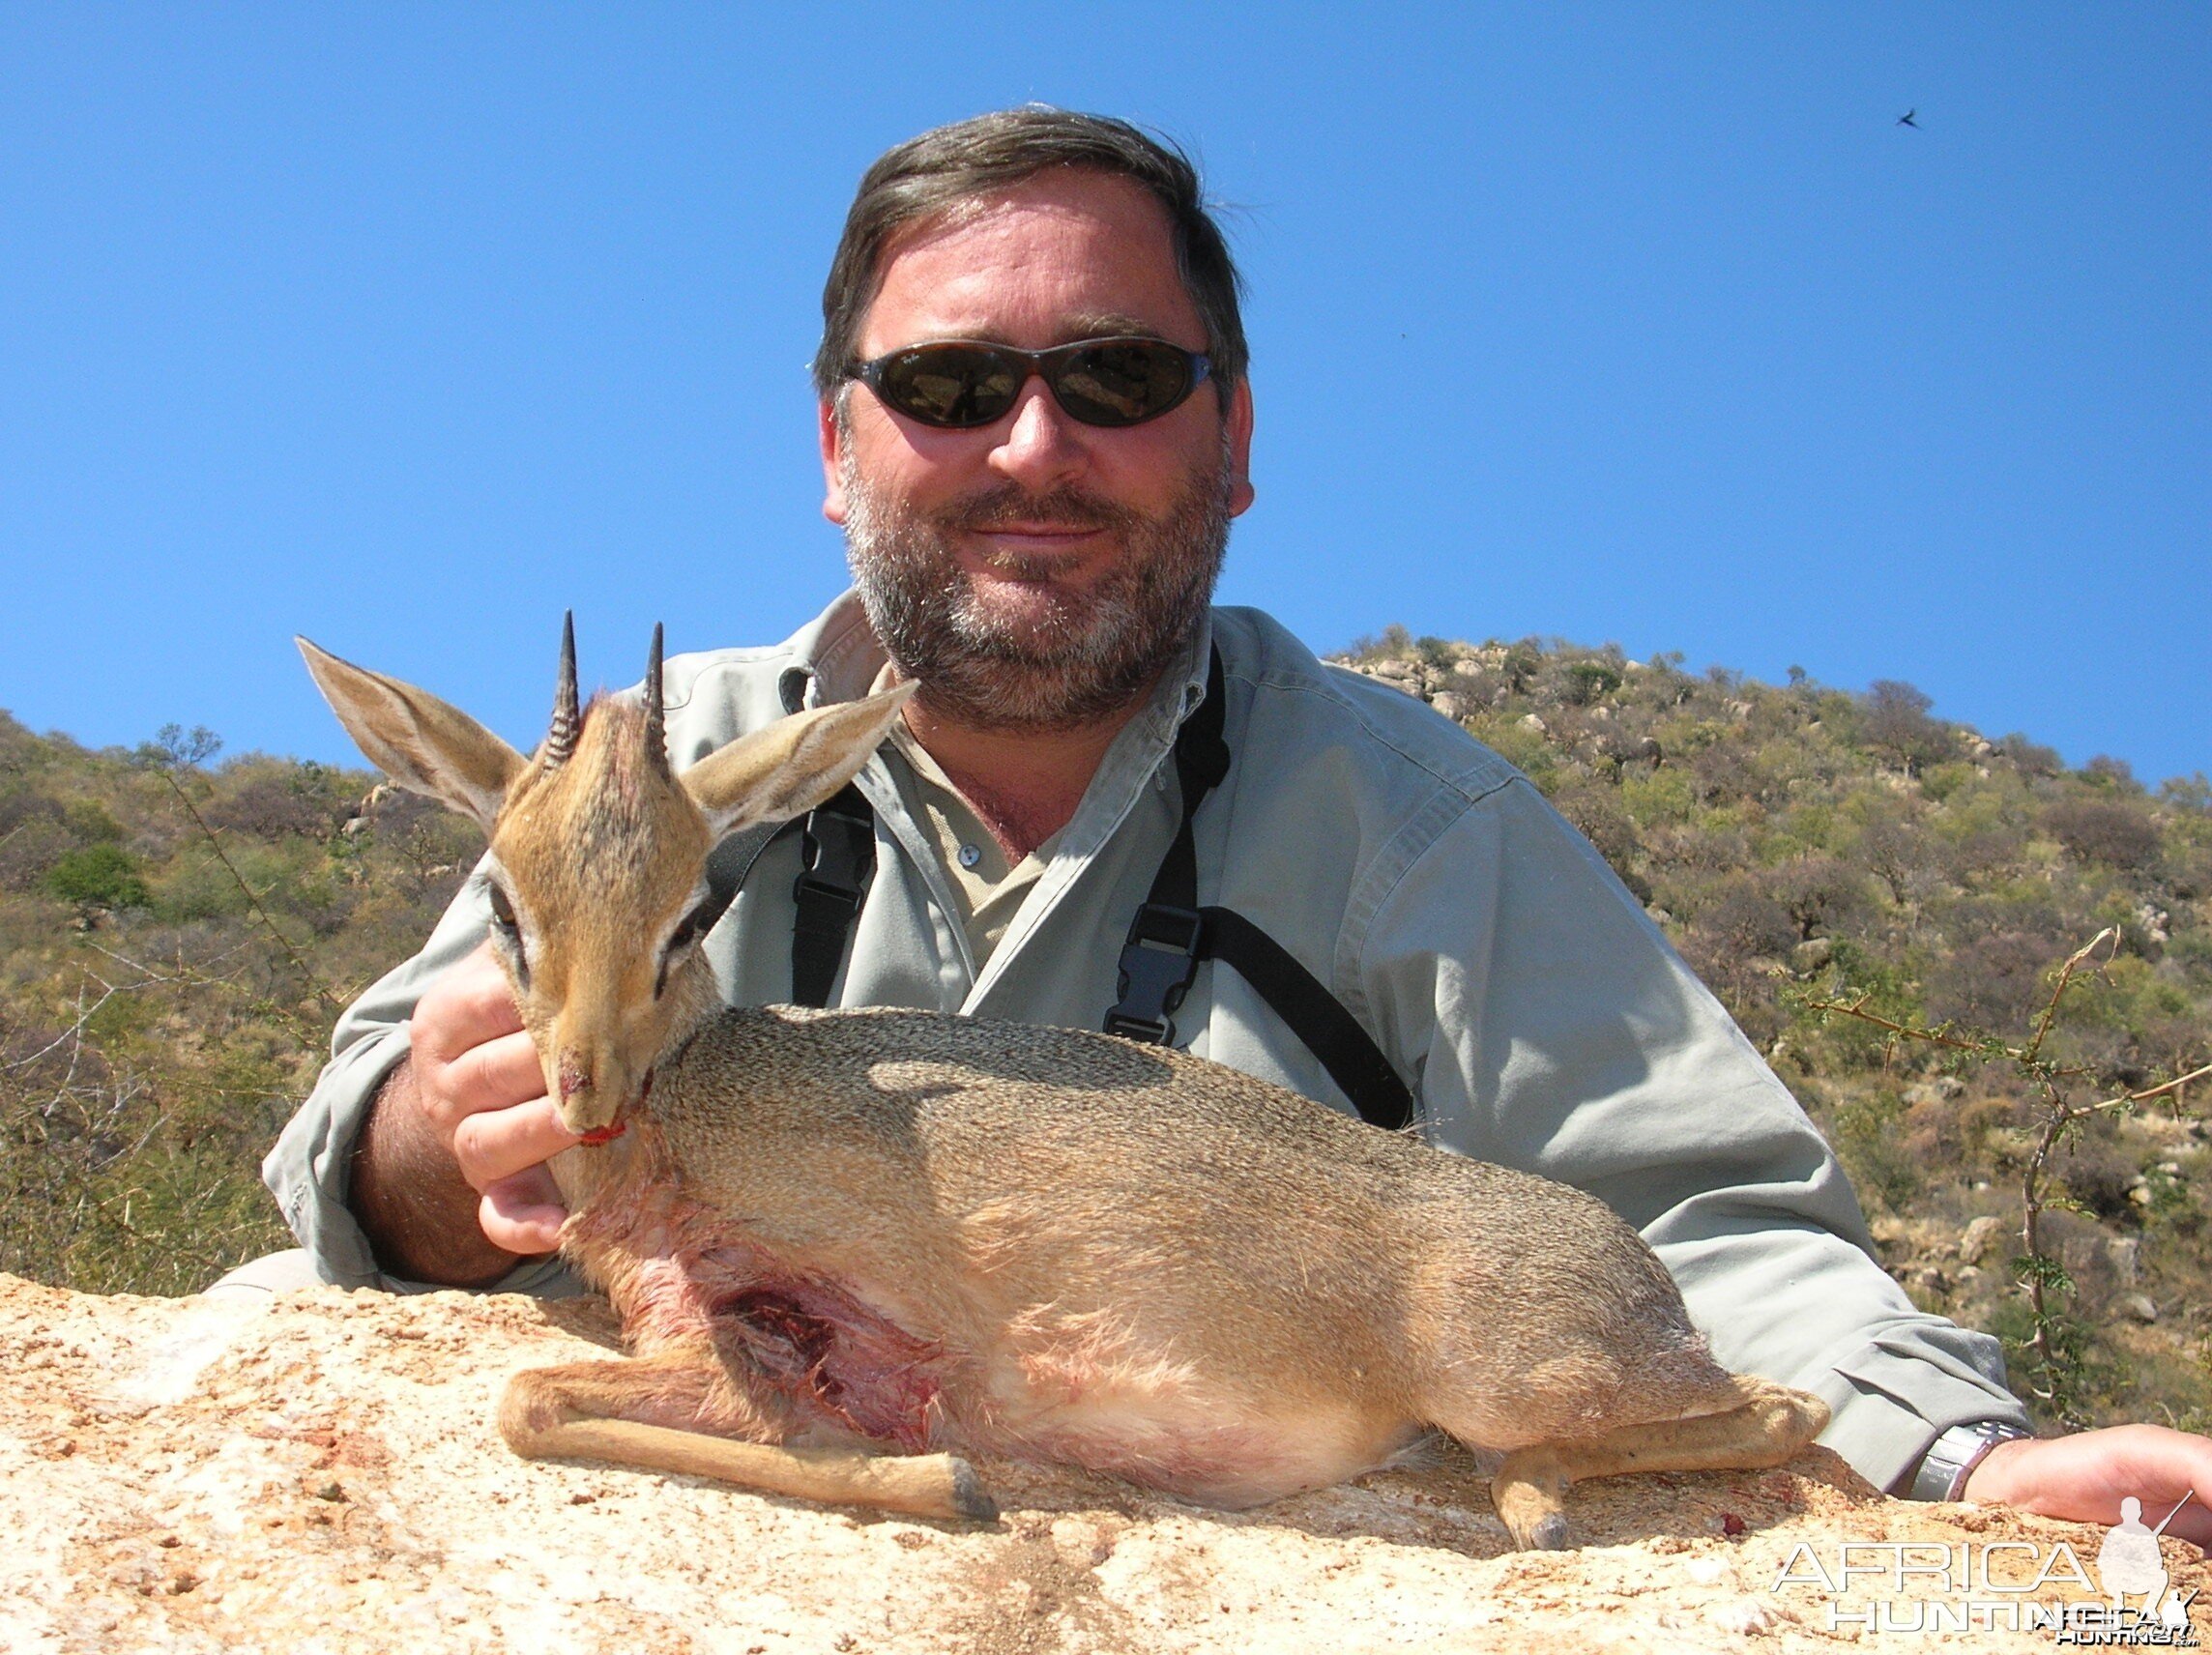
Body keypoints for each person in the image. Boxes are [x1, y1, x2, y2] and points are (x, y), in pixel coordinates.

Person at [252, 107, 2206, 1545]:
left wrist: (1962, 1460)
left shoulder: (1404, 816)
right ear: (835, 443)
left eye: (1114, 375)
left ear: (1235, 435)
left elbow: (1698, 1216)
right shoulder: (647, 778)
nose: (1032, 444)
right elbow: (365, 1148)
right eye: (946, 384)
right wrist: (441, 1144)